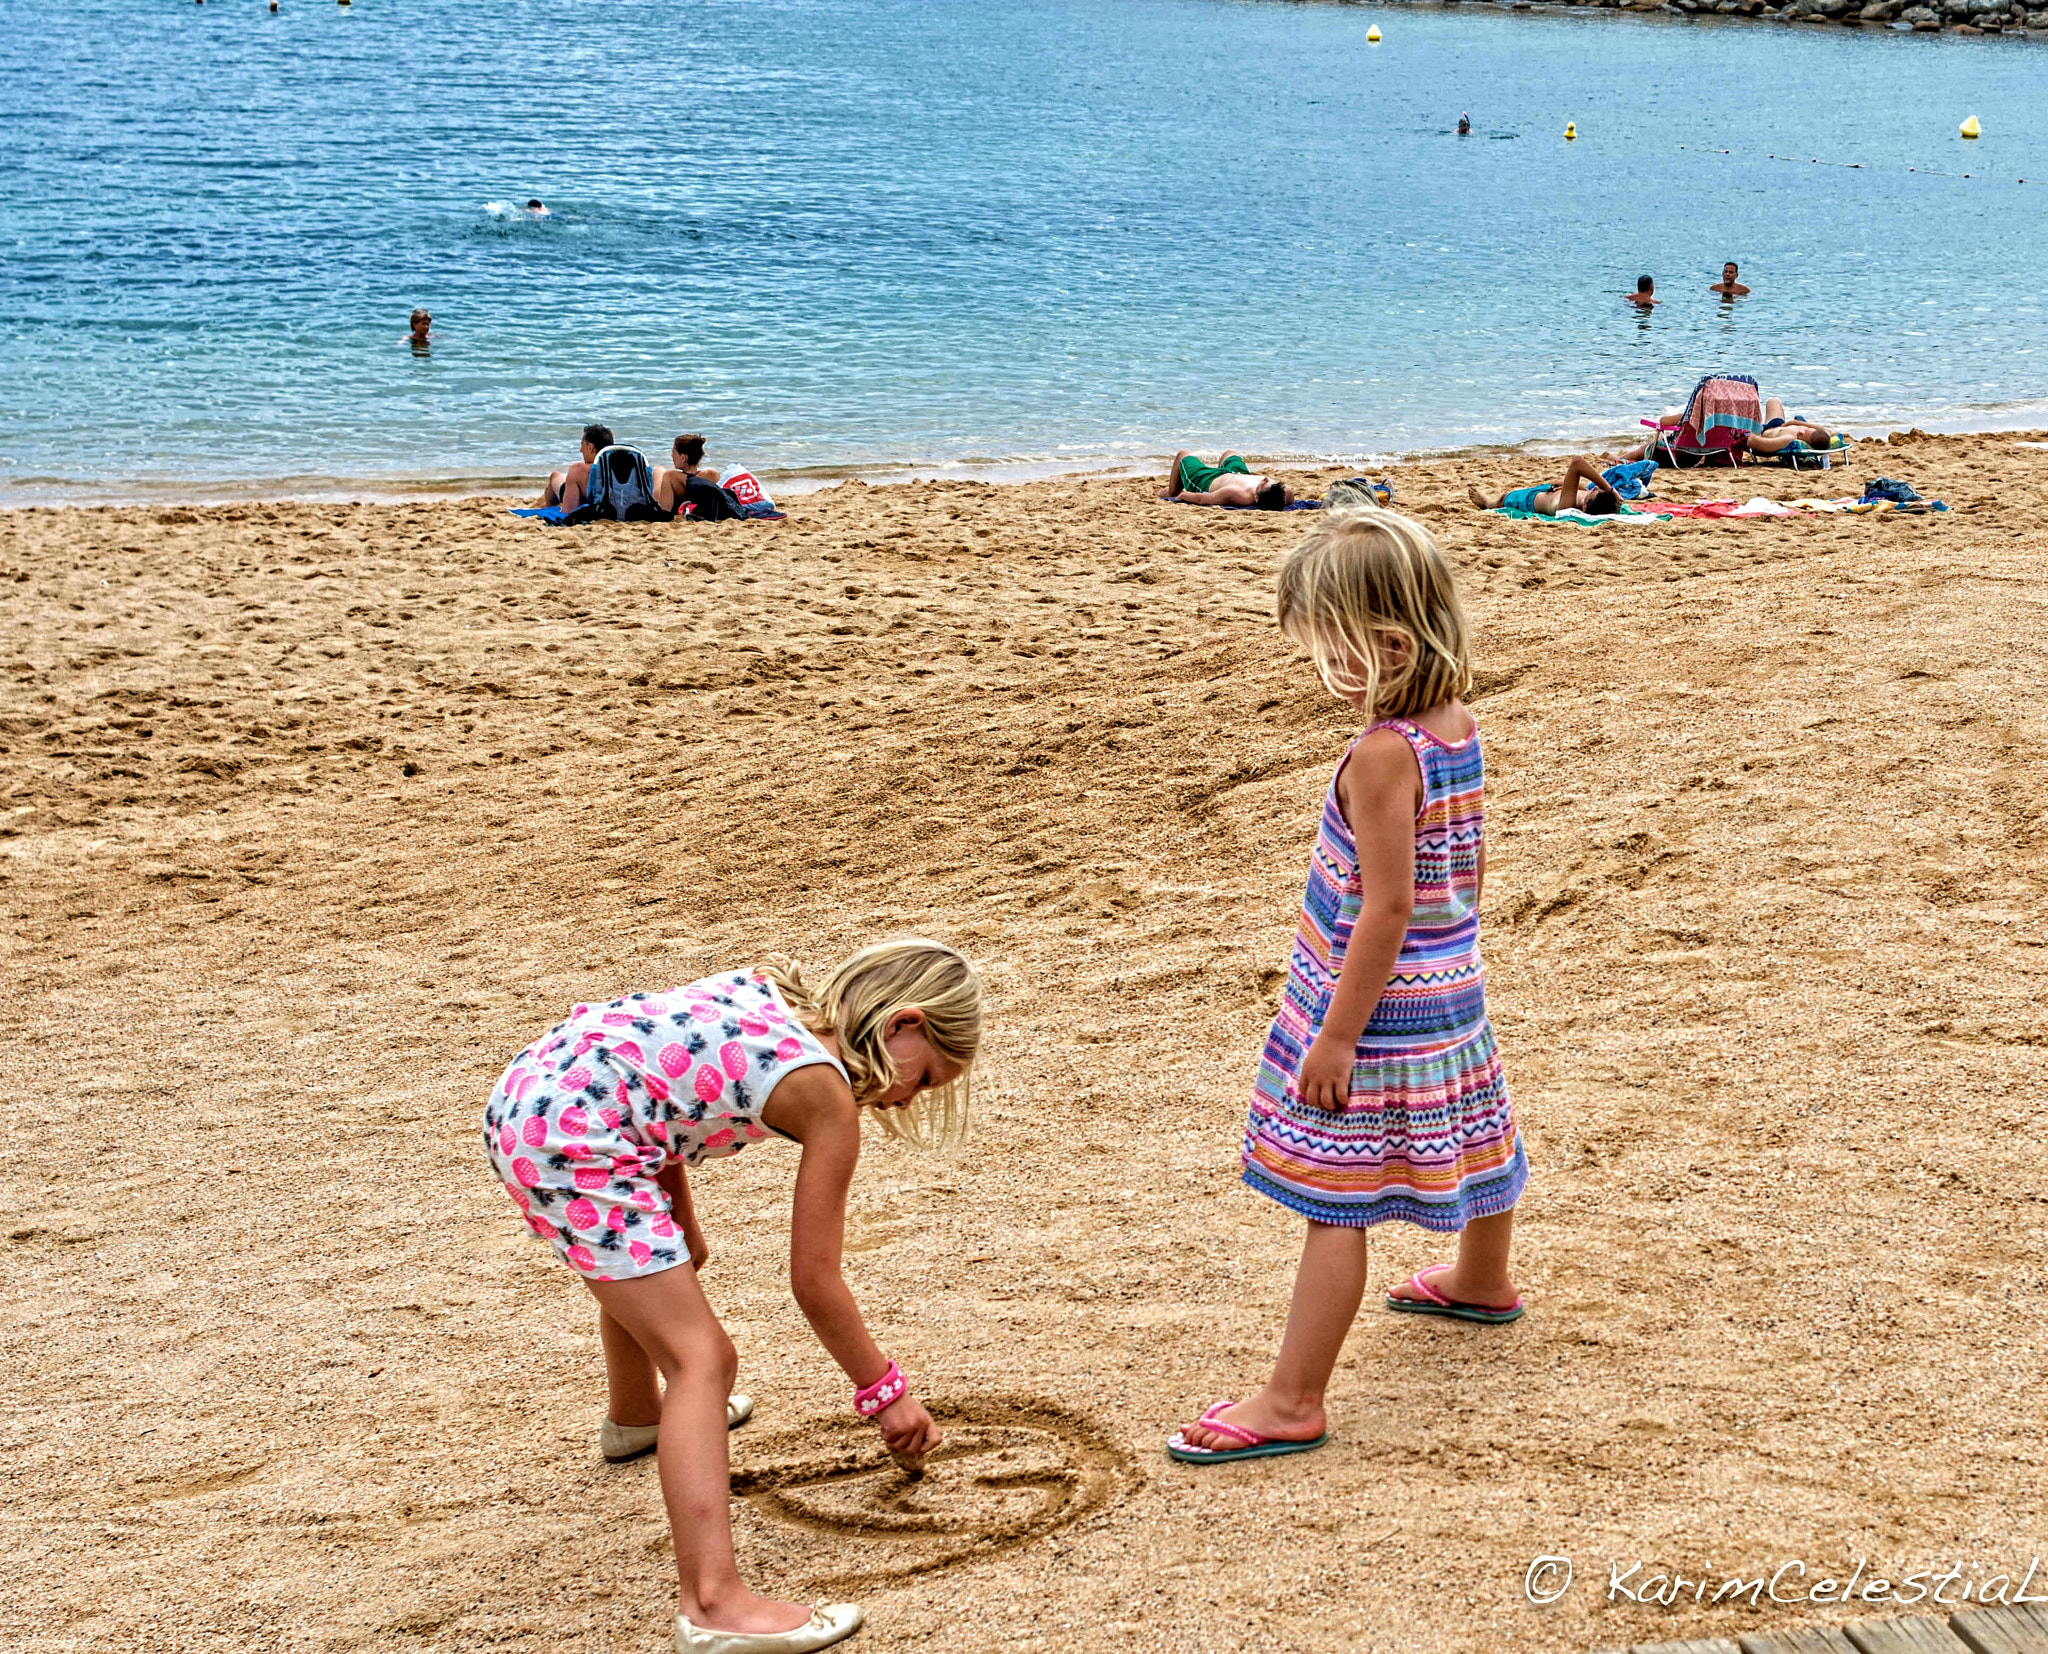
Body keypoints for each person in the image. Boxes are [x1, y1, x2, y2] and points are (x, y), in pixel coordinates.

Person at [483, 940, 982, 1652]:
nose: (906, 1097)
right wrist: (886, 1392)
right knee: (703, 1358)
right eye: (925, 1078)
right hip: (574, 1133)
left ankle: (636, 1418)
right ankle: (712, 1603)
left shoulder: (774, 997)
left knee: (669, 1265)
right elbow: (815, 1282)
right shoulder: (827, 1097)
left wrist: (673, 1211)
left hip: (544, 1093)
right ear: (904, 1023)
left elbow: (646, 1071)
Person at [1167, 510, 1526, 1466]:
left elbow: (1385, 906)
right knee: (1477, 1122)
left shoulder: (1383, 752)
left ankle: (1292, 1399)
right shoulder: (1457, 727)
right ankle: (1481, 1279)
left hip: (1380, 1003)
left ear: (1389, 643)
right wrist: (1462, 950)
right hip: (1450, 981)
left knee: (1340, 1196)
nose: (1319, 659)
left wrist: (1334, 1037)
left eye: (1329, 640)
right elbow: (1463, 865)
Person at [1465, 454, 1622, 517]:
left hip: (1530, 500)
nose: (1594, 488)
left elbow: (1577, 462)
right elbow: (1585, 492)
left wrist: (1610, 489)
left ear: (1585, 508)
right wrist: (1566, 486)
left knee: (1503, 499)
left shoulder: (1566, 508)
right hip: (1550, 490)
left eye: (1593, 492)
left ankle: (1486, 504)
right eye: (1597, 488)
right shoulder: (1591, 502)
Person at [1160, 450, 1294, 510]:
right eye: (1268, 481)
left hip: (1208, 480)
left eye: (1263, 484)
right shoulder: (1282, 492)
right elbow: (1288, 496)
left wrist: (1182, 495)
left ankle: (1168, 492)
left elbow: (1202, 499)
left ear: (1256, 498)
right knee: (1229, 453)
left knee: (1182, 455)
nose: (1265, 479)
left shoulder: (1236, 493)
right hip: (1236, 473)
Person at [539, 423, 614, 513]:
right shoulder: (620, 468)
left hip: (579, 495)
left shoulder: (578, 469)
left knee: (554, 476)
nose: (580, 450)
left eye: (582, 445)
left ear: (590, 447)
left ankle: (549, 506)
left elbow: (568, 512)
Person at [654, 433, 717, 514]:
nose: (671, 455)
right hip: (697, 507)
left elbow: (665, 510)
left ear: (683, 458)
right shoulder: (711, 474)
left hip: (675, 506)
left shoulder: (671, 476)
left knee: (658, 470)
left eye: (674, 452)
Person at [1745, 397, 1831, 454]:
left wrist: (1754, 427)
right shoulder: (1820, 435)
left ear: (1807, 444)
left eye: (1803, 434)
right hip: (1779, 425)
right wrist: (1797, 423)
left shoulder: (1786, 440)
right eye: (1805, 429)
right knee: (1773, 401)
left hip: (1765, 430)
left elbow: (1752, 442)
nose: (1801, 431)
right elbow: (1827, 431)